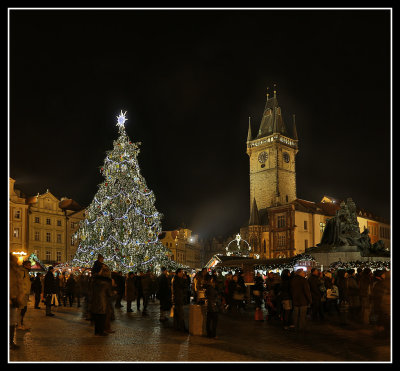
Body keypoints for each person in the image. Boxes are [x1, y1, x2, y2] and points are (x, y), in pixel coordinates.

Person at [90, 264, 114, 336]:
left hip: (95, 301)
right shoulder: (107, 282)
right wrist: (114, 292)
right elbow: (109, 294)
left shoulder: (95, 280)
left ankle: (96, 331)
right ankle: (101, 332)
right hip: (103, 302)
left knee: (97, 318)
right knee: (102, 318)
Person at [10, 253, 24, 350]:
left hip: (14, 298)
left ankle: (11, 342)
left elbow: (19, 284)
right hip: (11, 298)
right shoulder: (11, 270)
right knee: (10, 322)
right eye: (15, 258)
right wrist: (13, 297)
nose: (17, 260)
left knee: (12, 322)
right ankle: (10, 342)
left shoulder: (15, 269)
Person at [17, 260, 32, 331]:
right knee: (21, 309)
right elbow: (19, 283)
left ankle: (21, 323)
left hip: (25, 293)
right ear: (25, 265)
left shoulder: (26, 272)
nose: (30, 267)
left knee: (24, 309)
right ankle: (19, 324)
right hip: (22, 293)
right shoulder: (22, 271)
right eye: (29, 265)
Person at [172, 268, 187, 332]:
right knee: (181, 313)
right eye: (181, 272)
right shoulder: (178, 280)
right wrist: (184, 280)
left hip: (177, 298)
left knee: (177, 313)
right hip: (178, 298)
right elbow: (183, 286)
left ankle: (177, 326)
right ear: (178, 273)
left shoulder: (176, 279)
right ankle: (182, 328)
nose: (182, 273)